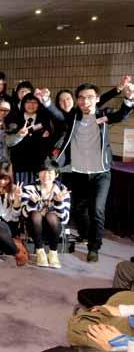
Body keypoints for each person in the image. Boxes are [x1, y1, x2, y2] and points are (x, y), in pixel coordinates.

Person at [52, 80, 134, 262]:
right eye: (81, 97)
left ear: (97, 99)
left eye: (89, 97)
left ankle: (94, 247)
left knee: (97, 210)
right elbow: (56, 113)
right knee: (80, 209)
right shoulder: (73, 117)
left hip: (101, 172)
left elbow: (121, 115)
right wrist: (46, 101)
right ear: (77, 100)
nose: (85, 101)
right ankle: (86, 235)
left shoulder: (103, 115)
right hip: (78, 172)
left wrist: (129, 98)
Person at [21, 160, 71, 268]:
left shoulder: (62, 190)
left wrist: (58, 203)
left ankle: (53, 252)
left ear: (56, 175)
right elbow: (24, 215)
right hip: (34, 228)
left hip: (53, 229)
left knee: (51, 216)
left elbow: (65, 219)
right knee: (35, 214)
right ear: (38, 173)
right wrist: (32, 203)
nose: (46, 175)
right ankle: (40, 252)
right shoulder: (29, 188)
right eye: (43, 171)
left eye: (50, 172)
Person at [9, 93, 53, 185]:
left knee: (35, 187)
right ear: (23, 104)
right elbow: (10, 138)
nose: (31, 105)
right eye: (28, 102)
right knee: (20, 186)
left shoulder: (44, 118)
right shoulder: (15, 117)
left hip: (38, 161)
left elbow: (48, 137)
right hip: (19, 161)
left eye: (34, 102)